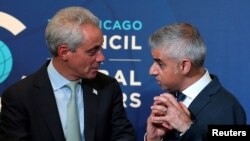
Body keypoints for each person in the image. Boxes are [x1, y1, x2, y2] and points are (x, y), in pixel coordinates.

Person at [0, 6, 136, 141]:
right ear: (64, 52)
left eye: (100, 48)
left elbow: (123, 136)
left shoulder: (107, 87)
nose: (101, 58)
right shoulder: (19, 97)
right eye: (92, 51)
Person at [145, 23, 246, 141]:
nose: (151, 71)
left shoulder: (228, 108)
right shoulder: (170, 100)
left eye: (160, 64)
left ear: (184, 66)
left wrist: (187, 129)